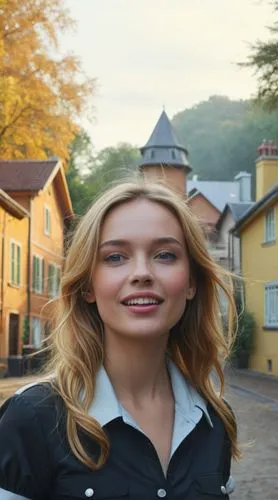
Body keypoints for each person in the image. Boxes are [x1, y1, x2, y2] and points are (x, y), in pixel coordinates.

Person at [0, 181, 239, 499]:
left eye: (165, 255)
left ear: (192, 282)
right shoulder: (31, 419)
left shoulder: (215, 421)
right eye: (115, 257)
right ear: (87, 286)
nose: (142, 273)